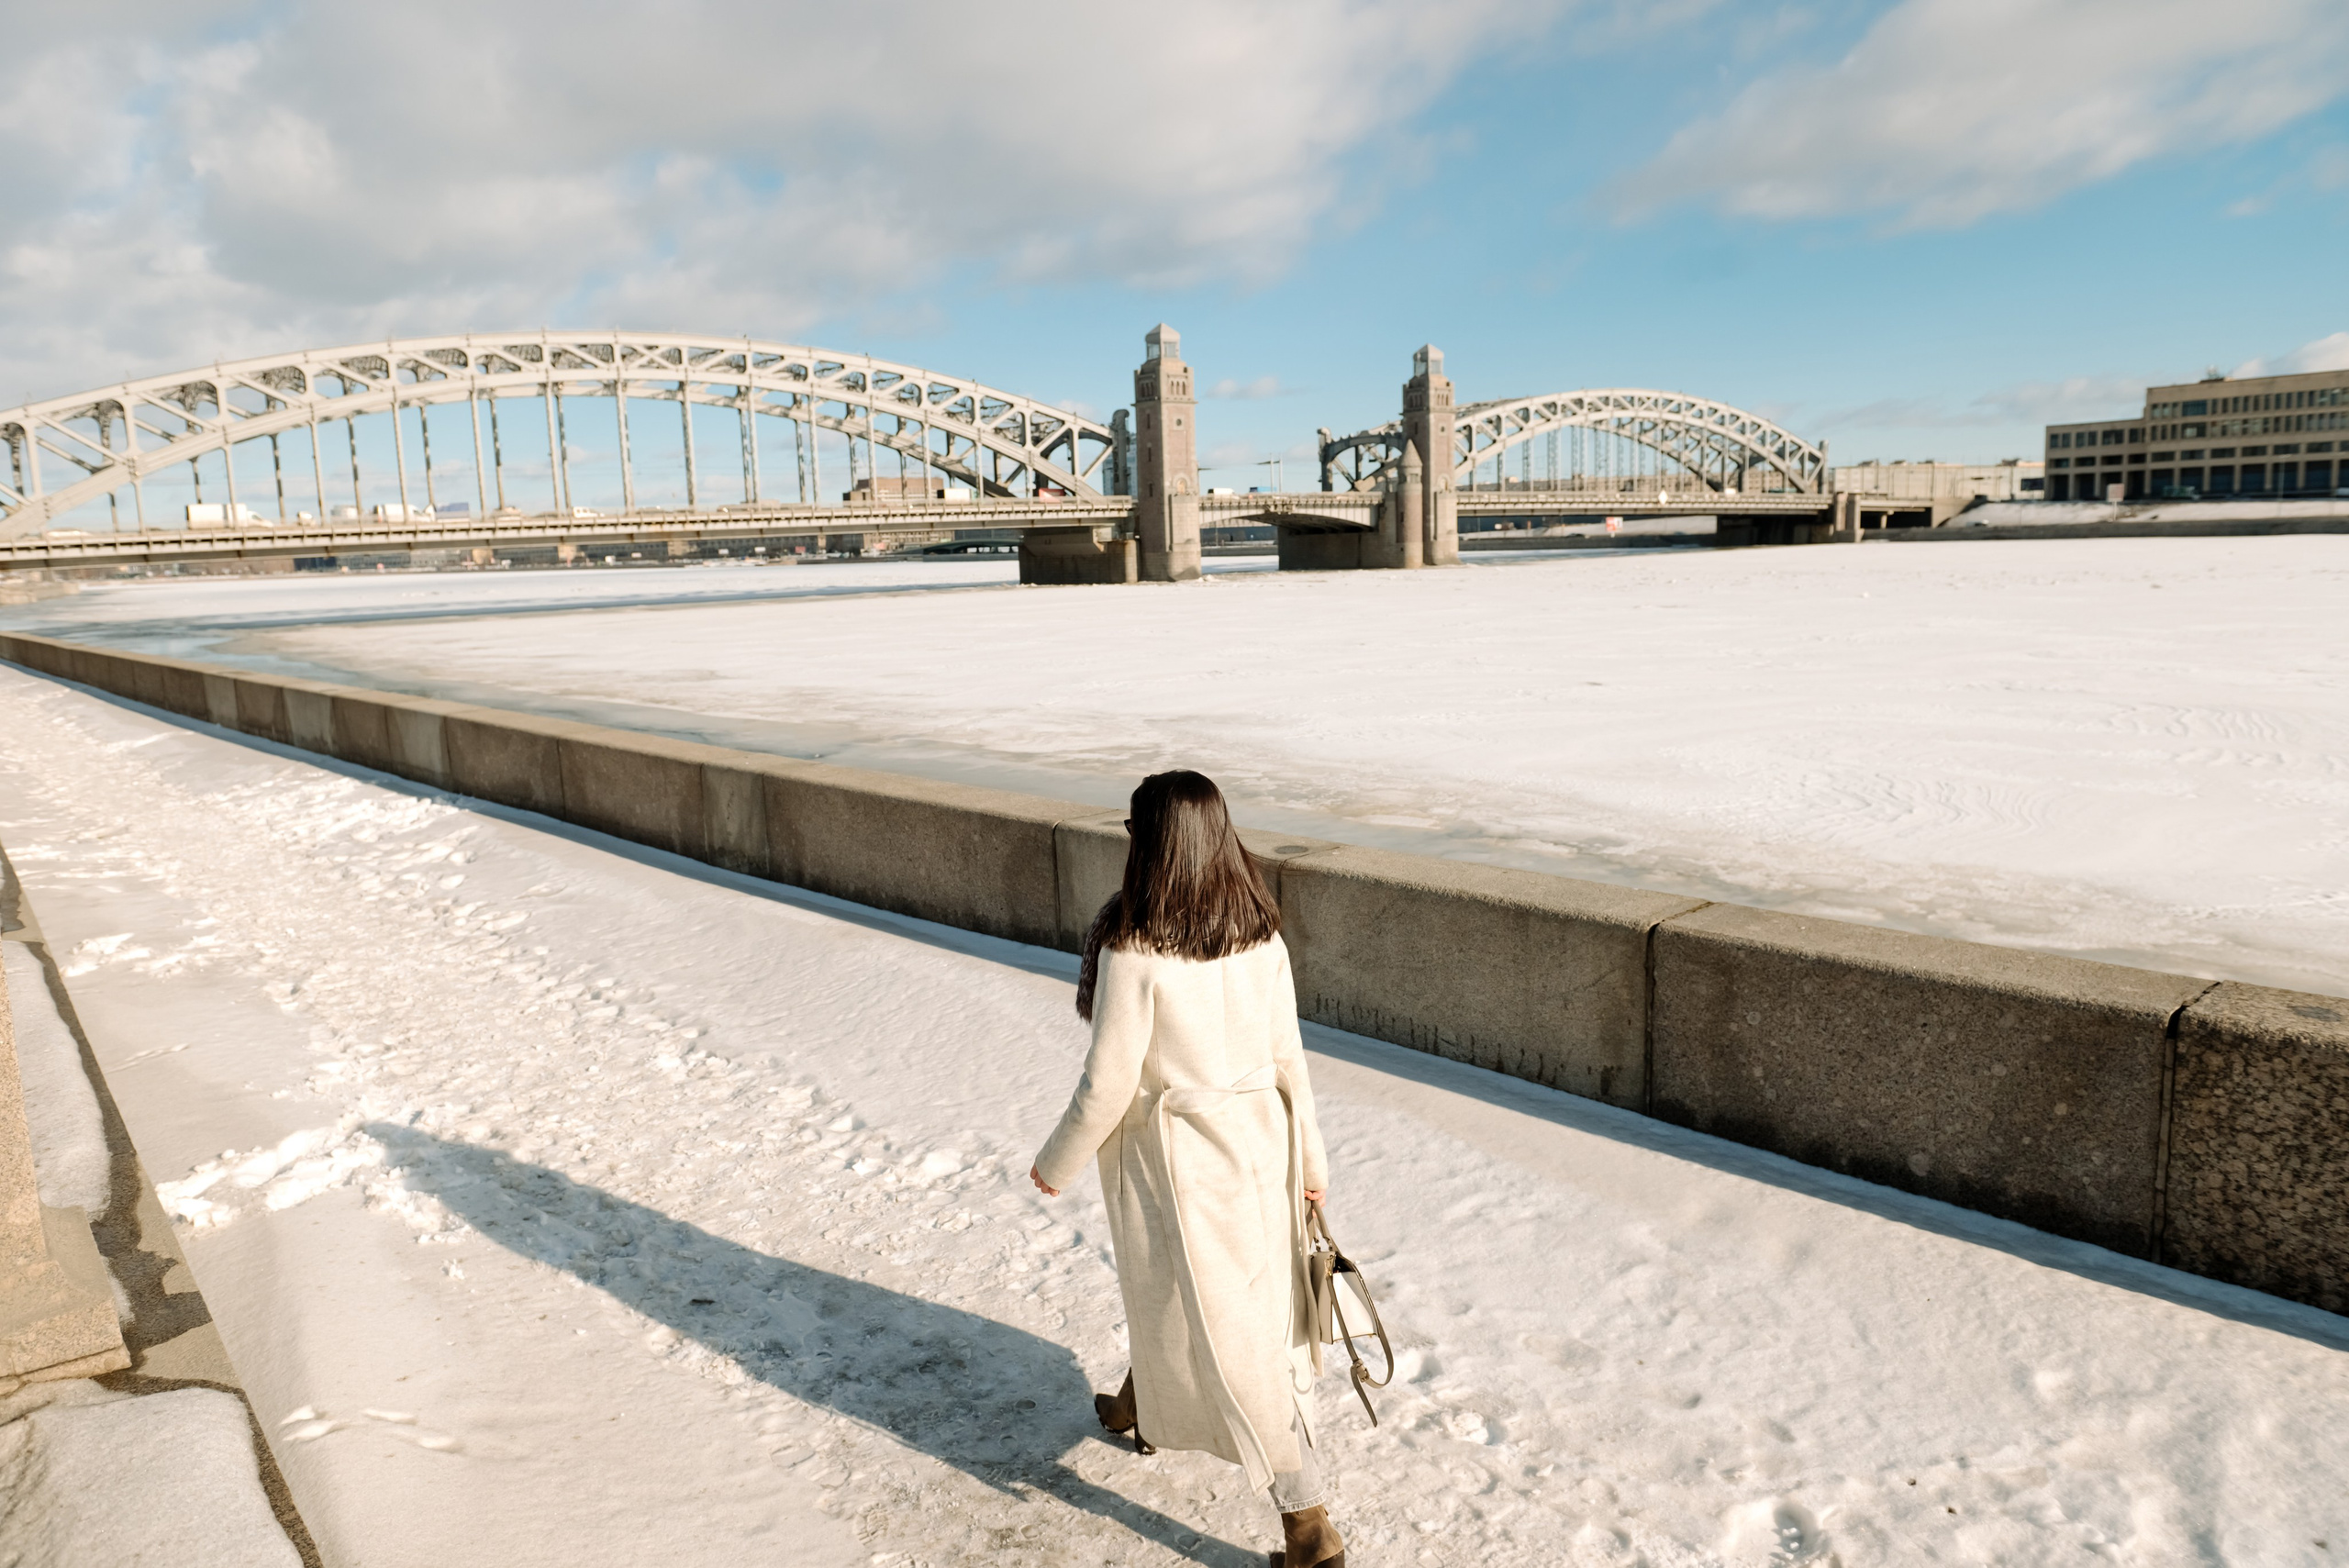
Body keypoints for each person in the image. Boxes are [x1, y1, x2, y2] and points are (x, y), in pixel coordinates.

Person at [1030, 770, 1345, 1568]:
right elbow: (1290, 1059)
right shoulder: (1261, 935)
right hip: (1262, 1147)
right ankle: (1141, 1401)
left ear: (1151, 845)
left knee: (1237, 1335)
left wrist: (1056, 1160)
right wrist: (1310, 1161)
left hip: (1176, 1162)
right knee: (1222, 1299)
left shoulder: (1134, 947)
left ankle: (1308, 1526)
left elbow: (1108, 1080)